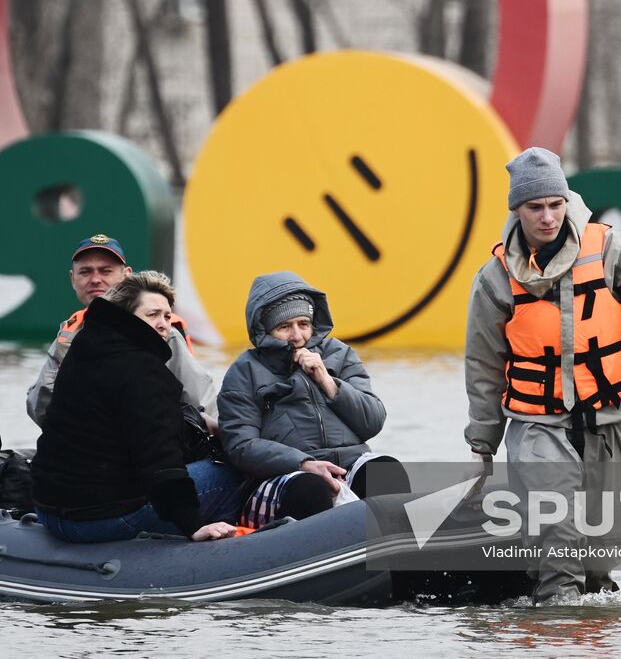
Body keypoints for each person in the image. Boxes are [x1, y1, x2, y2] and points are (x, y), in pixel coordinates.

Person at [464, 147, 621, 604]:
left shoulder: (615, 251)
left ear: (567, 199)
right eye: (535, 207)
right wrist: (481, 445)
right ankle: (554, 623)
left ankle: (587, 619)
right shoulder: (494, 278)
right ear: (517, 210)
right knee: (556, 531)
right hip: (536, 422)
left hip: (613, 414)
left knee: (604, 546)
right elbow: (483, 367)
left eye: (555, 203)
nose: (548, 216)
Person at [30, 271, 243, 543]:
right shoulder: (144, 371)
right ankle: (213, 552)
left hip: (50, 511)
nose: (163, 324)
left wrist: (196, 421)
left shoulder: (84, 349)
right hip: (98, 520)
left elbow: (119, 417)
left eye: (167, 316)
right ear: (127, 315)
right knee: (224, 475)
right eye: (152, 314)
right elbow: (160, 457)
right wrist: (190, 523)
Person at [218, 271, 403, 528]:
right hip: (284, 476)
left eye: (303, 324)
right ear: (265, 330)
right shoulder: (244, 371)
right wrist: (303, 463)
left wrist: (327, 381)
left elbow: (372, 422)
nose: (297, 336)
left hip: (347, 463)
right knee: (310, 488)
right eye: (284, 327)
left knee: (385, 470)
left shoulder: (340, 354)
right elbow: (241, 444)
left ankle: (392, 558)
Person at [26, 233, 217, 426]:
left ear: (127, 275)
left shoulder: (162, 331)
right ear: (72, 279)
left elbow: (202, 405)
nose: (95, 279)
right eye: (85, 272)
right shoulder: (69, 333)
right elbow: (39, 410)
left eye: (105, 271)